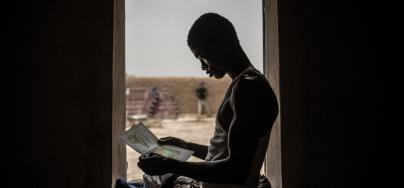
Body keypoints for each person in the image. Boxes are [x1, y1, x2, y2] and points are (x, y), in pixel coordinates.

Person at [127, 12, 278, 188]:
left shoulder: (250, 88)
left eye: (202, 56)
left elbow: (237, 170)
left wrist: (169, 165)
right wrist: (184, 145)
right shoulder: (242, 84)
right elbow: (225, 157)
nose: (203, 66)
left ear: (222, 44)